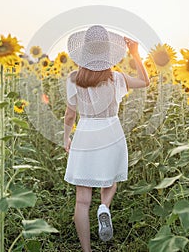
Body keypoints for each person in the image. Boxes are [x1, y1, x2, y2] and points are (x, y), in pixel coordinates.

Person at [63, 25, 149, 252]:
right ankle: (104, 207)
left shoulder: (73, 79)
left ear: (84, 52)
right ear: (108, 53)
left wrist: (66, 138)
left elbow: (70, 114)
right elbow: (145, 82)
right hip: (111, 132)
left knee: (82, 201)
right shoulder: (117, 78)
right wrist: (136, 54)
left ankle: (86, 250)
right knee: (110, 178)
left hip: (85, 134)